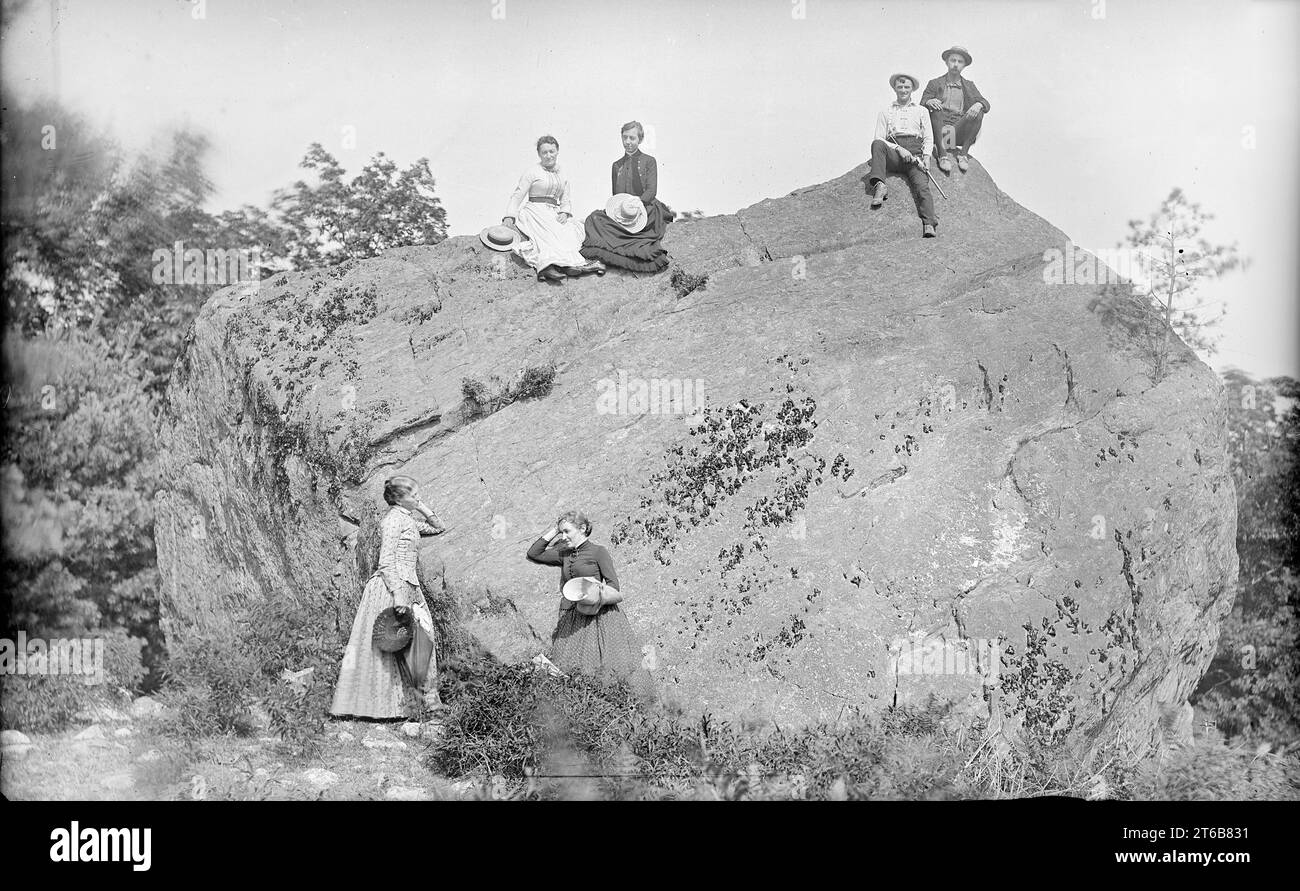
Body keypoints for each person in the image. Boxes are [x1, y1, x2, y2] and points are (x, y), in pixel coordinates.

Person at [331, 476, 448, 719]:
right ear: (398, 498)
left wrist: (421, 506)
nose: (417, 497)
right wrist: (398, 595)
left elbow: (439, 526)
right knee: (390, 644)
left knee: (421, 640)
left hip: (410, 585)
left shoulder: (408, 520)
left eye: (418, 494)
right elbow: (385, 562)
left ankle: (426, 702)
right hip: (391, 588)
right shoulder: (393, 520)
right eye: (413, 495)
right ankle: (392, 706)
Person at [526, 510, 645, 684]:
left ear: (582, 528)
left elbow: (614, 586)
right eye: (562, 532)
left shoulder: (598, 551)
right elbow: (533, 553)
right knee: (565, 666)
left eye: (567, 531)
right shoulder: (564, 553)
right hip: (571, 616)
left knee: (599, 665)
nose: (563, 536)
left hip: (598, 616)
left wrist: (595, 592)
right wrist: (556, 528)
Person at [503, 135, 605, 282]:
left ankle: (571, 265)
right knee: (549, 234)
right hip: (534, 210)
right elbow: (518, 194)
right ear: (539, 154)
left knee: (570, 231)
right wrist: (509, 215)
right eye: (544, 152)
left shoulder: (562, 172)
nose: (548, 155)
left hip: (554, 211)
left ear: (557, 151)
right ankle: (546, 267)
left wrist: (564, 212)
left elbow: (566, 197)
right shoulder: (532, 172)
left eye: (551, 151)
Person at [579, 121, 673, 273]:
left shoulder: (649, 161)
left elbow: (651, 190)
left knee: (648, 221)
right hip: (624, 209)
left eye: (632, 138)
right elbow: (616, 195)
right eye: (625, 138)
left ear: (640, 140)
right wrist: (622, 209)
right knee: (594, 218)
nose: (628, 142)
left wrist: (639, 202)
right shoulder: (616, 165)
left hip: (645, 205)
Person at [867, 73, 938, 238]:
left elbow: (928, 137)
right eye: (900, 87)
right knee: (877, 145)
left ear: (912, 89)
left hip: (915, 155)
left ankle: (929, 223)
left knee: (922, 187)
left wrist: (926, 157)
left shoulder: (922, 110)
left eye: (907, 87)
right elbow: (879, 138)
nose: (903, 90)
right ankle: (880, 185)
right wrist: (898, 148)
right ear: (894, 88)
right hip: (895, 154)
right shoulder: (886, 112)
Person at [921, 45, 991, 174]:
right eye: (953, 60)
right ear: (947, 62)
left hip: (957, 132)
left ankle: (963, 154)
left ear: (964, 66)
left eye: (960, 62)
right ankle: (942, 155)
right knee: (936, 109)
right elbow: (922, 103)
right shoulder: (934, 83)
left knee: (979, 111)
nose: (955, 64)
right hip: (939, 131)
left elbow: (986, 103)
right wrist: (929, 101)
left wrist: (979, 104)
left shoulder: (969, 85)